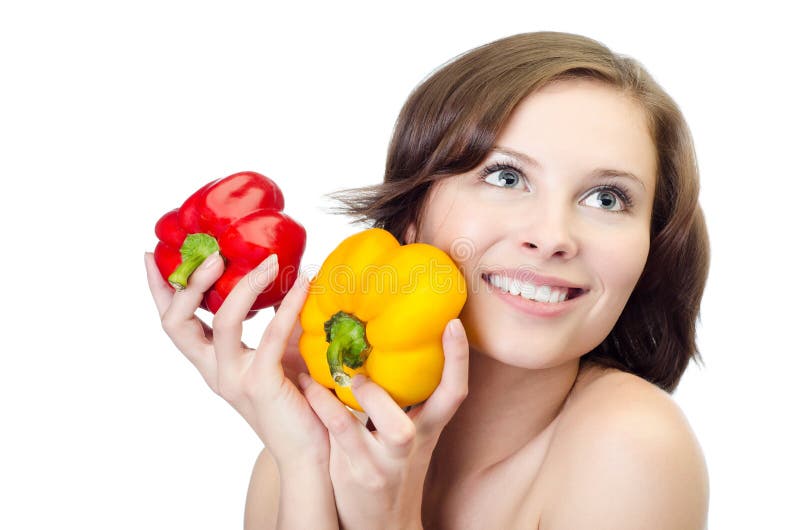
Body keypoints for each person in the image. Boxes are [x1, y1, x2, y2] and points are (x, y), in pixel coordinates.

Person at [145, 31, 710, 529]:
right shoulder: (307, 441)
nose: (553, 235)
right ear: (411, 216)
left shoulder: (632, 447)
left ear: (649, 247)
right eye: (506, 176)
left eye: (607, 198)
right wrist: (305, 462)